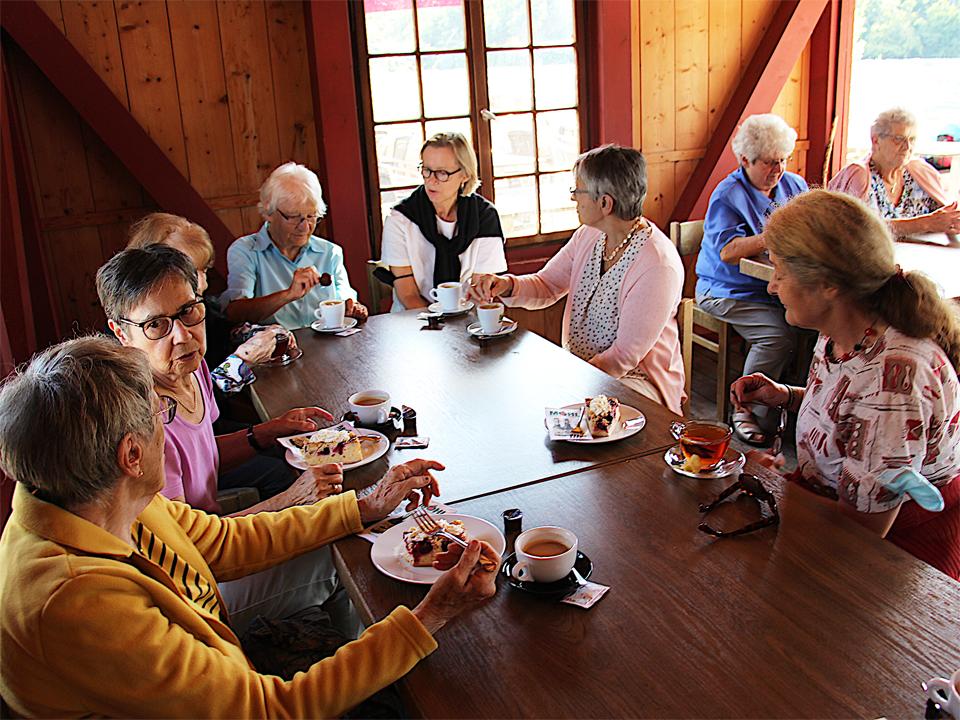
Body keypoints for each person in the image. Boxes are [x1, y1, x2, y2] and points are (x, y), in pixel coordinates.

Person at [0, 336, 499, 717]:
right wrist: (429, 617)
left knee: (339, 551)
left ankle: (376, 674)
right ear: (131, 455)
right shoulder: (75, 602)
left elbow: (222, 540)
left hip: (213, 659)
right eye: (161, 416)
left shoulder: (92, 492)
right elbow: (268, 709)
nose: (168, 426)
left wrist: (362, 508)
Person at [730, 190, 960, 580]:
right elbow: (850, 413)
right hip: (831, 512)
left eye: (781, 273)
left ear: (828, 285)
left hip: (897, 555)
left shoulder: (894, 382)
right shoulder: (844, 330)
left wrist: (770, 483)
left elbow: (858, 538)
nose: (772, 286)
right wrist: (786, 396)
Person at [470, 144, 685, 415]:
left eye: (578, 190)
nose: (573, 198)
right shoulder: (589, 235)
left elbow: (623, 358)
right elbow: (547, 285)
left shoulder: (657, 264)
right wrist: (507, 285)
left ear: (605, 203)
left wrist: (565, 382)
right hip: (584, 374)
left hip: (637, 385)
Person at [695, 113, 807, 445]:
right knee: (777, 335)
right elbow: (728, 251)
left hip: (773, 287)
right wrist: (773, 234)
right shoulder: (728, 194)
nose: (778, 169)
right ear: (745, 160)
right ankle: (746, 409)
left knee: (814, 327)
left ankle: (800, 407)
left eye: (783, 160)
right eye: (770, 163)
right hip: (726, 289)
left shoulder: (794, 186)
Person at [127, 212, 293, 395]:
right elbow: (196, 399)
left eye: (204, 270)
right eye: (189, 272)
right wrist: (242, 361)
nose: (203, 283)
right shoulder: (137, 330)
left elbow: (223, 330)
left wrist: (261, 334)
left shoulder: (198, 304)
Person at [221, 162, 368, 329]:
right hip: (276, 350)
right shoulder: (246, 251)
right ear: (269, 212)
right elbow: (235, 313)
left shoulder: (330, 252)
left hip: (327, 345)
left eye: (311, 216)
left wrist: (352, 307)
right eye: (294, 217)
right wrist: (288, 295)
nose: (305, 227)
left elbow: (346, 298)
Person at [380, 132, 507, 311]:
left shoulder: (484, 217)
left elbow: (480, 292)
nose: (431, 180)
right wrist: (439, 330)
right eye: (426, 170)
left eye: (442, 173)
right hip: (414, 320)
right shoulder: (400, 218)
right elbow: (407, 294)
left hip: (467, 320)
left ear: (464, 174)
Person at [829, 107, 960, 237]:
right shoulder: (859, 174)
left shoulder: (920, 171)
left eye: (912, 139)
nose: (907, 147)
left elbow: (947, 215)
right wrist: (924, 223)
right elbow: (856, 227)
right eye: (898, 139)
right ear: (875, 141)